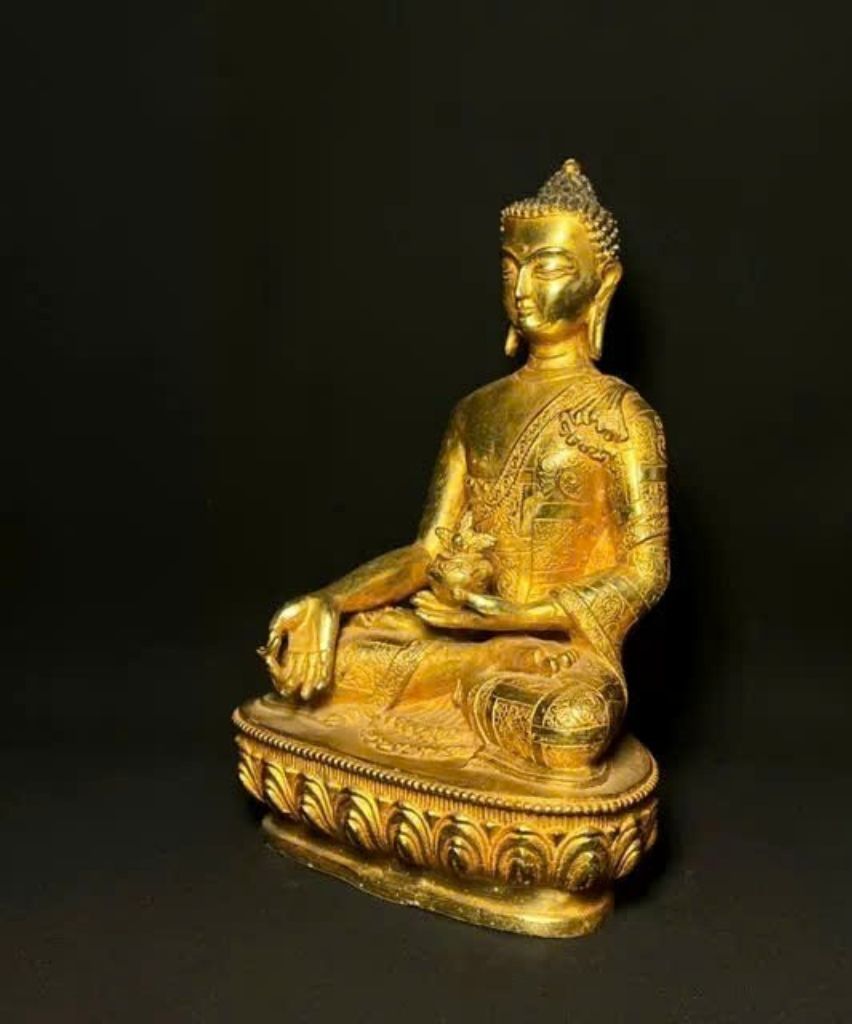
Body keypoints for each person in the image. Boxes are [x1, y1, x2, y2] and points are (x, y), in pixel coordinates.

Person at [260, 159, 669, 779]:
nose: (523, 289)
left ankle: (472, 680)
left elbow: (646, 570)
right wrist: (330, 601)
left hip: (554, 655)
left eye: (549, 268)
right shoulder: (475, 411)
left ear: (602, 284)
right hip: (457, 636)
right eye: (511, 269)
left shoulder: (622, 414)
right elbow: (428, 552)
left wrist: (519, 619)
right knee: (316, 658)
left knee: (571, 724)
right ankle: (466, 673)